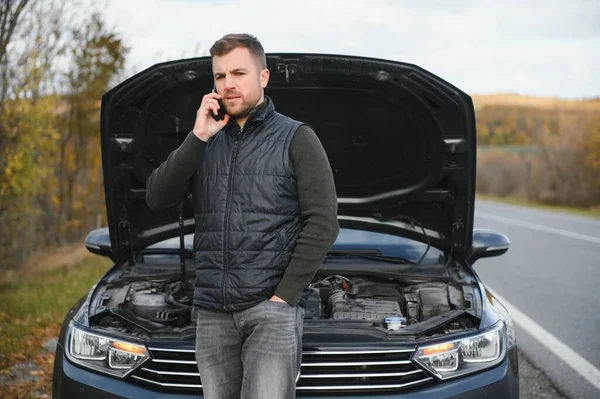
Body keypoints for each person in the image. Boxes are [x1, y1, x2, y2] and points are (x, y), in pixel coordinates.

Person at [145, 33, 339, 399]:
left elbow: (324, 221)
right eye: (220, 76)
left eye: (238, 73)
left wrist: (284, 297)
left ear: (263, 77)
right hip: (212, 313)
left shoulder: (296, 138)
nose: (228, 84)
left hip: (270, 311)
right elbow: (157, 197)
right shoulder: (205, 140)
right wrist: (197, 136)